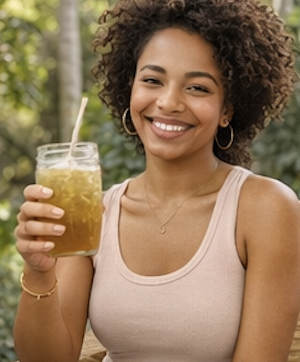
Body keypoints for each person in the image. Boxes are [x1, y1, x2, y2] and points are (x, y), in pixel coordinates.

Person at [13, 0, 300, 361]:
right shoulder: (93, 214)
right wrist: (39, 270)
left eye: (197, 88)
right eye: (152, 80)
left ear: (228, 109)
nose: (168, 102)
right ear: (129, 89)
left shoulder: (266, 208)